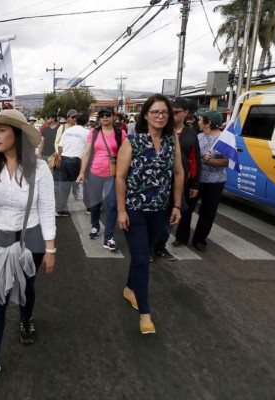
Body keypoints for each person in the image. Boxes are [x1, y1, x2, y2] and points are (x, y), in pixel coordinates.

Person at [0, 109, 56, 391]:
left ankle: (26, 319)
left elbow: (47, 208)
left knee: (27, 288)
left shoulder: (39, 168)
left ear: (17, 135)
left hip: (30, 241)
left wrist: (51, 248)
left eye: (3, 130)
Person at [115, 94, 184, 334]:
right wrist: (121, 210)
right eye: (155, 112)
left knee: (141, 254)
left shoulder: (171, 141)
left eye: (164, 112)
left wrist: (176, 205)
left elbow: (178, 173)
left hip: (160, 211)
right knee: (143, 259)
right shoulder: (132, 141)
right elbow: (120, 177)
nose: (160, 116)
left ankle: (129, 288)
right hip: (134, 210)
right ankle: (145, 313)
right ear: (146, 115)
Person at [153, 97, 201, 261]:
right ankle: (147, 247)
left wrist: (195, 183)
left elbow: (196, 160)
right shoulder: (158, 132)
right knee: (152, 215)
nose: (171, 116)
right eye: (169, 112)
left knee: (171, 217)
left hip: (178, 184)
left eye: (175, 112)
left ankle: (160, 246)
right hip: (156, 183)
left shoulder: (191, 135)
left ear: (186, 113)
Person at [175, 110, 228, 252]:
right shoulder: (197, 136)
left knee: (208, 212)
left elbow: (230, 162)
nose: (198, 121)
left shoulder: (225, 139)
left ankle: (199, 239)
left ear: (208, 122)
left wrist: (213, 161)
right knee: (186, 209)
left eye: (201, 119)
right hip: (195, 180)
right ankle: (181, 237)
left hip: (215, 182)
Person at [76, 107, 125, 251]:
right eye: (102, 115)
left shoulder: (120, 133)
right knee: (95, 203)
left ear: (113, 116)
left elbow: (125, 153)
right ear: (98, 118)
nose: (105, 117)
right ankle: (95, 226)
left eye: (107, 115)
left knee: (111, 204)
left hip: (113, 174)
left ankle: (109, 237)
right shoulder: (94, 132)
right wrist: (81, 172)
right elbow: (86, 153)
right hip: (94, 173)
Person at [55, 113, 89, 216]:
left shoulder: (67, 131)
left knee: (64, 186)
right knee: (84, 184)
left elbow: (60, 146)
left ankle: (60, 210)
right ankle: (90, 207)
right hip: (77, 161)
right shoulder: (87, 132)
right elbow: (89, 149)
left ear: (76, 120)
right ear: (86, 121)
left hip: (64, 160)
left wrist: (61, 156)